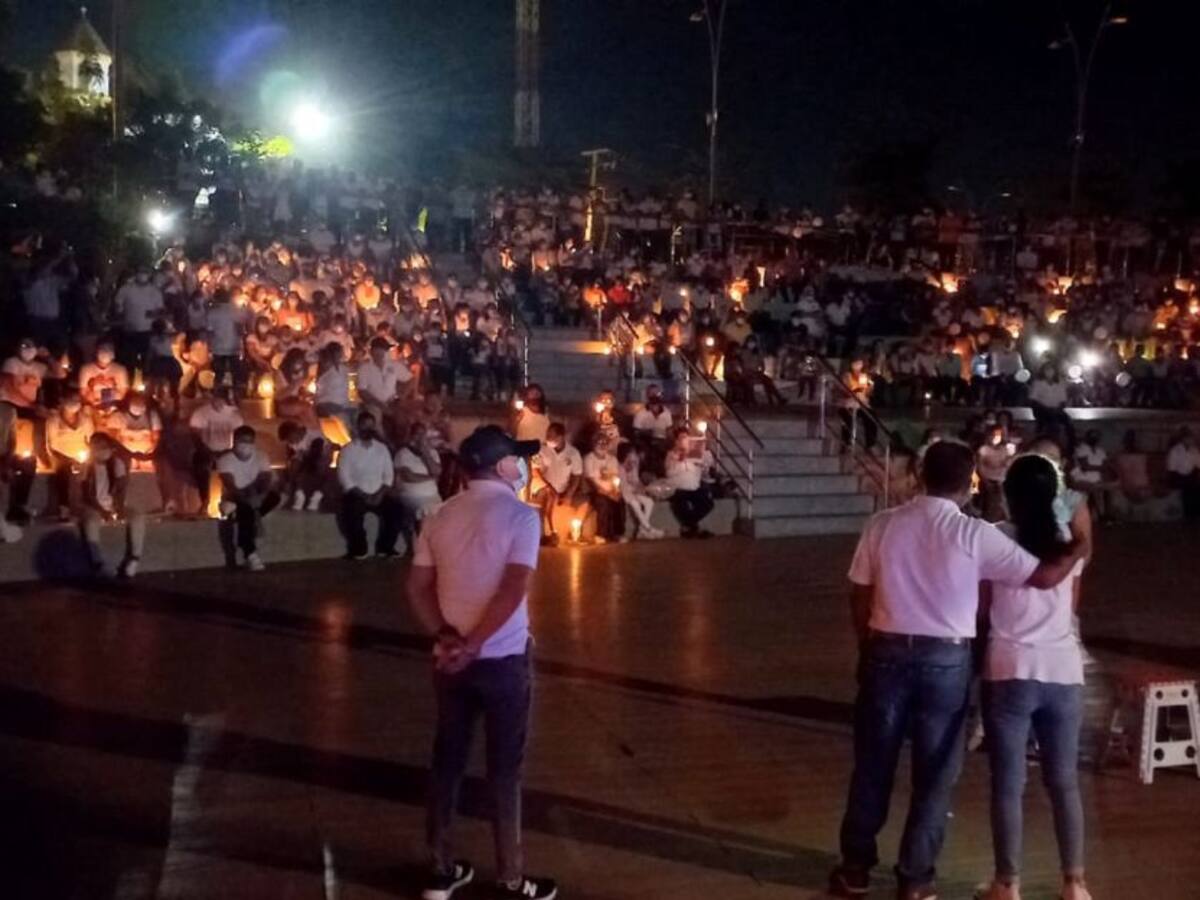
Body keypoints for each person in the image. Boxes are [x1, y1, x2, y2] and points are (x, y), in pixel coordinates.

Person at [829, 440, 1089, 900]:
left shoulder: (883, 525)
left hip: (887, 651)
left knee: (873, 764)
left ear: (919, 474)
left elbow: (858, 593)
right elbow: (1045, 577)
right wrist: (1079, 545)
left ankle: (855, 868)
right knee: (935, 771)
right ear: (969, 481)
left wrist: (865, 644)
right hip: (947, 659)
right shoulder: (975, 534)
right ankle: (916, 878)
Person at [406, 425, 557, 900]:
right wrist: (475, 643)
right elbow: (513, 589)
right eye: (516, 458)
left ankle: (440, 868)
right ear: (501, 466)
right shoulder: (521, 517)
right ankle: (511, 876)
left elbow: (416, 587)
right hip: (504, 659)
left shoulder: (440, 515)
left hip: (449, 663)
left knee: (447, 762)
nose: (521, 465)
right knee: (504, 771)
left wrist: (446, 636)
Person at [976, 455, 1092, 900]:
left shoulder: (995, 539)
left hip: (1009, 667)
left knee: (1008, 783)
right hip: (1062, 668)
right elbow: (1073, 607)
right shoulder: (1068, 543)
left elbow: (984, 607)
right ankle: (1075, 882)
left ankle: (1007, 883)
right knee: (1063, 781)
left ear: (1008, 494)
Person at [336, 411, 405, 560]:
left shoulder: (382, 449)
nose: (368, 430)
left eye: (371, 427)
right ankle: (359, 549)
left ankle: (386, 548)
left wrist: (379, 494)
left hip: (379, 492)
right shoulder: (348, 450)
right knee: (351, 513)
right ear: (358, 427)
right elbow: (345, 477)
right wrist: (364, 496)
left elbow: (388, 475)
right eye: (365, 426)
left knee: (397, 510)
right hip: (357, 493)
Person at [79, 432, 146, 578]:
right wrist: (102, 511)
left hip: (113, 505)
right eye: (97, 446)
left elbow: (121, 488)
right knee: (91, 523)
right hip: (94, 506)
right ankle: (98, 564)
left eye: (104, 446)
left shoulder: (117, 464)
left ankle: (134, 559)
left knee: (137, 517)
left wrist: (119, 507)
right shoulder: (87, 467)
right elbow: (87, 494)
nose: (101, 450)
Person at [215, 425, 279, 572]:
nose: (246, 445)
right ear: (235, 441)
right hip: (234, 497)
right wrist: (249, 500)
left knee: (273, 497)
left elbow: (265, 480)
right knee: (246, 510)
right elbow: (230, 485)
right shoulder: (225, 460)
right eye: (242, 441)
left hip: (255, 495)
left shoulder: (261, 456)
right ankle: (250, 553)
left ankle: (248, 540)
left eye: (249, 441)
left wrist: (258, 497)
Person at [189, 387, 245, 509]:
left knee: (232, 467)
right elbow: (195, 436)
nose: (219, 402)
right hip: (206, 451)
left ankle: (228, 503)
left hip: (227, 451)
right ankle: (205, 501)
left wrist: (229, 452)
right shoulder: (201, 413)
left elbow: (240, 437)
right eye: (217, 398)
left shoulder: (234, 415)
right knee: (201, 466)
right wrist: (207, 452)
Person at [531, 423, 583, 546]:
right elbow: (535, 470)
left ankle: (571, 532)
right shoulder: (541, 450)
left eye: (552, 437)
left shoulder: (573, 453)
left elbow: (577, 475)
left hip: (562, 487)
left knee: (583, 501)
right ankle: (548, 532)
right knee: (548, 496)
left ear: (561, 437)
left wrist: (569, 494)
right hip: (542, 485)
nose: (549, 439)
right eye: (547, 436)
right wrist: (549, 486)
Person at [46, 390, 95, 519]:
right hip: (60, 456)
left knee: (92, 469)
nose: (75, 403)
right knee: (63, 471)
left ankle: (88, 504)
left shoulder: (86, 419)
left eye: (77, 400)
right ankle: (64, 507)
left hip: (82, 455)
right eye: (72, 399)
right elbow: (52, 445)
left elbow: (91, 440)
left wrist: (86, 457)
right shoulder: (54, 420)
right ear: (63, 401)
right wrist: (69, 459)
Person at [664, 427, 715, 539]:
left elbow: (706, 471)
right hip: (678, 488)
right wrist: (680, 460)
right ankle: (695, 528)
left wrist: (702, 463)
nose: (684, 440)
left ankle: (688, 526)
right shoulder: (671, 455)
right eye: (682, 438)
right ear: (676, 441)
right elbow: (669, 473)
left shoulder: (696, 453)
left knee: (708, 503)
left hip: (694, 487)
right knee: (680, 502)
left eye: (686, 438)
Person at [278, 420, 329, 512]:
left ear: (295, 431)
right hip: (304, 461)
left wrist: (304, 456)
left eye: (290, 438)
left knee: (321, 465)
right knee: (294, 464)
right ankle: (299, 494)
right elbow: (291, 456)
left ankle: (317, 496)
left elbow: (316, 455)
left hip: (319, 458)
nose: (290, 442)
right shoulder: (291, 443)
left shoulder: (315, 437)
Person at [583, 433, 625, 543]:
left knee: (620, 502)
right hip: (595, 491)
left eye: (605, 443)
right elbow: (590, 480)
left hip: (610, 490)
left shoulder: (612, 459)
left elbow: (615, 478)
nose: (602, 445)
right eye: (599, 443)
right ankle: (601, 534)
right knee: (603, 502)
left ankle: (618, 533)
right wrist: (604, 492)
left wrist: (616, 491)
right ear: (593, 444)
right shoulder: (589, 459)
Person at [618, 442, 664, 539]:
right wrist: (634, 489)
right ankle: (648, 528)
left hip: (634, 491)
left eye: (634, 453)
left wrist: (643, 489)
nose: (633, 456)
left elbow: (636, 480)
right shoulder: (619, 466)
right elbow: (623, 485)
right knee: (635, 504)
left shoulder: (635, 463)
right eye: (630, 453)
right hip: (624, 492)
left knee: (649, 502)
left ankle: (641, 530)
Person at [1165, 427, 1200, 519]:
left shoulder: (1194, 450)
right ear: (1184, 439)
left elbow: (1198, 464)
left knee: (1195, 489)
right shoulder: (1175, 450)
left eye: (1192, 438)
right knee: (1188, 490)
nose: (1192, 440)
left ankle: (1194, 515)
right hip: (1178, 476)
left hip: (1191, 475)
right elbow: (1171, 468)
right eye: (1190, 438)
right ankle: (1188, 516)